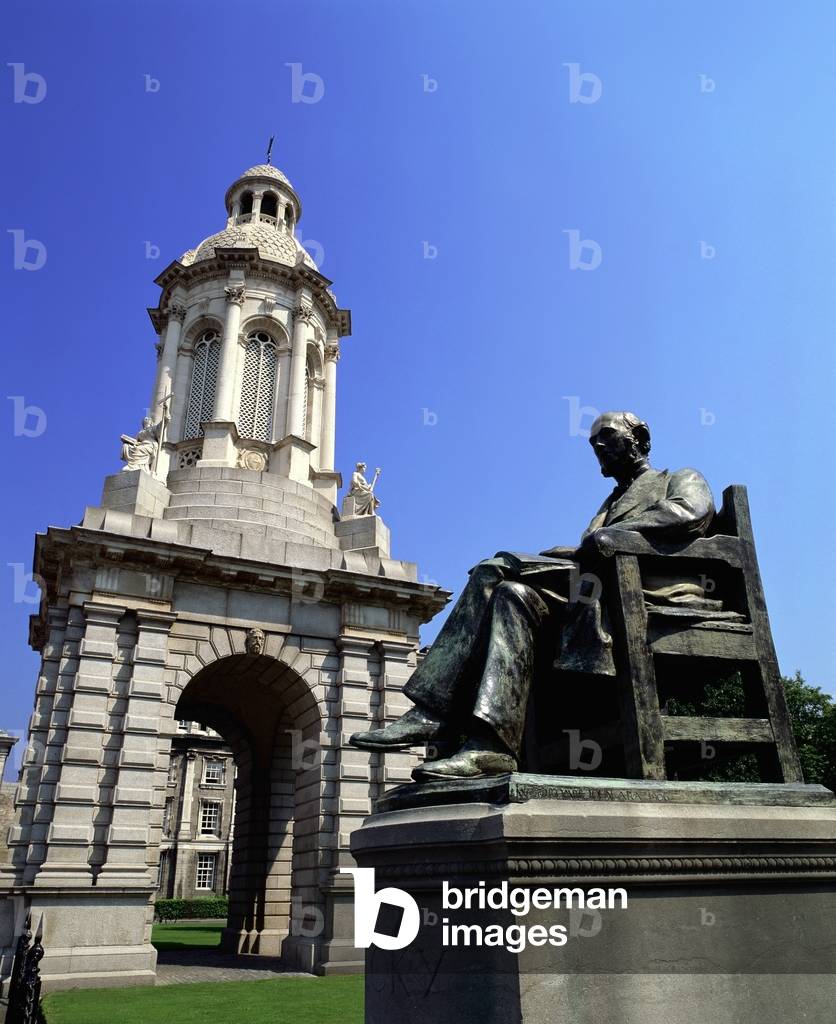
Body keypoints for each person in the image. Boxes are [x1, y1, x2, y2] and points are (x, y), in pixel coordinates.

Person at [349, 411, 714, 780]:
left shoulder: (679, 477)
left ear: (641, 439)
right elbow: (593, 549)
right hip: (597, 593)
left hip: (647, 590)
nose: (598, 446)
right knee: (512, 594)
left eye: (606, 435)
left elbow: (690, 512)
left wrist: (607, 536)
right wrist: (576, 549)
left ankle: (432, 712)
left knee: (495, 568)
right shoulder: (609, 504)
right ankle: (491, 747)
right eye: (592, 443)